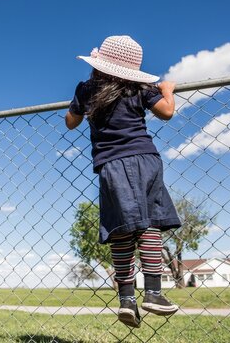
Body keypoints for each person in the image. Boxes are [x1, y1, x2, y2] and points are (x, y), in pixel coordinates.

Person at [65, 35, 182, 328]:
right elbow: (166, 112)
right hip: (145, 159)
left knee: (120, 229)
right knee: (149, 223)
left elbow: (71, 121)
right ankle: (154, 293)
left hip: (109, 166)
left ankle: (127, 300)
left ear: (98, 64)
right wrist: (167, 90)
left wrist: (79, 104)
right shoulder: (139, 88)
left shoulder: (86, 89)